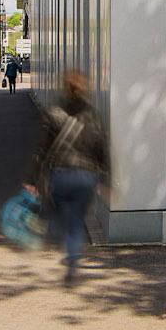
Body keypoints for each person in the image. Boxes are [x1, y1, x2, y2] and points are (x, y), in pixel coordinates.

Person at [28, 70, 110, 283]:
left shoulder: (54, 112)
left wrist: (33, 179)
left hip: (61, 176)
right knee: (77, 222)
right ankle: (73, 260)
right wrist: (106, 178)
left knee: (60, 218)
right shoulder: (92, 113)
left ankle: (68, 249)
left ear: (64, 88)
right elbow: (101, 146)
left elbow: (42, 149)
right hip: (86, 176)